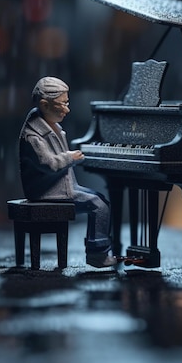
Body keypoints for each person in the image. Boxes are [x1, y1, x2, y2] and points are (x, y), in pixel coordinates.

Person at [18, 76, 116, 268]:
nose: (67, 109)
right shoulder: (32, 136)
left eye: (67, 103)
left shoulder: (49, 124)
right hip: (46, 191)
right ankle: (97, 254)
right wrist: (70, 158)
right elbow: (48, 164)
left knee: (101, 199)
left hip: (60, 186)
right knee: (99, 205)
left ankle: (99, 248)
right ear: (45, 105)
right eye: (62, 104)